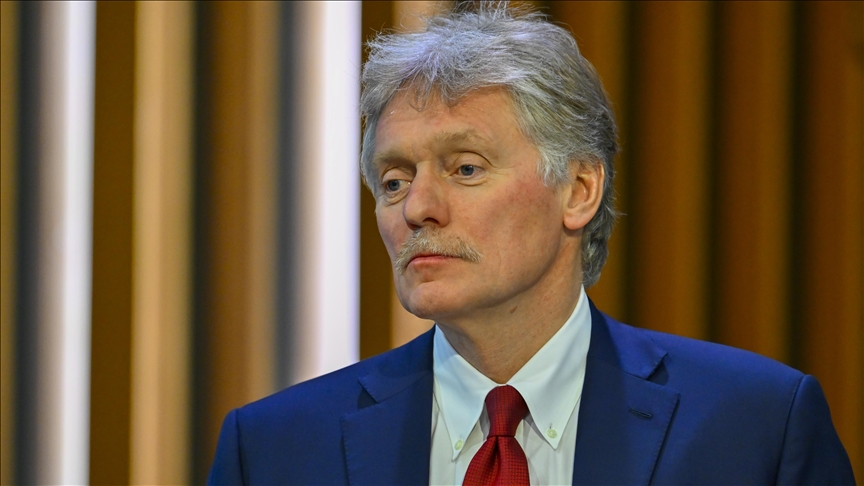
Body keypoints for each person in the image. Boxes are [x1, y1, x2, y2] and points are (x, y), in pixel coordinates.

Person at [208, 4, 855, 485]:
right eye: (394, 180)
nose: (417, 208)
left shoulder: (756, 428)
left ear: (578, 190)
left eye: (465, 168)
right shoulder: (273, 450)